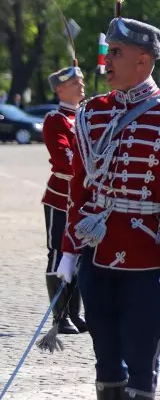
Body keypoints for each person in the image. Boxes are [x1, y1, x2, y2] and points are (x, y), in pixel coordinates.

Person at [55, 15, 160, 400]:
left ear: (144, 61)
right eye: (109, 51)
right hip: (99, 252)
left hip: (148, 255)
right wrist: (70, 250)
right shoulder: (91, 114)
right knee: (105, 354)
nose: (106, 61)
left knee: (142, 358)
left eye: (117, 53)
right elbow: (80, 187)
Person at [41, 64, 88, 336]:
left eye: (81, 81)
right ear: (60, 89)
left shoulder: (84, 117)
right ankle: (59, 317)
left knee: (79, 254)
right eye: (74, 82)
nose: (81, 85)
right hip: (61, 198)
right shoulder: (55, 120)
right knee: (58, 253)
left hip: (82, 199)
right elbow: (63, 157)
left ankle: (74, 312)